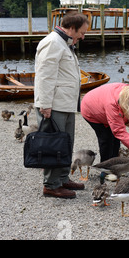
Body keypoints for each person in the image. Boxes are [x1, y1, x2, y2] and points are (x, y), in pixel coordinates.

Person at [34, 12, 89, 199]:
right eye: (81, 32)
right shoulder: (52, 43)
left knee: (65, 143)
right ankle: (51, 185)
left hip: (65, 103)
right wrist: (45, 104)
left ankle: (63, 178)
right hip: (54, 104)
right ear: (71, 28)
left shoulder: (65, 43)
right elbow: (45, 76)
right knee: (53, 145)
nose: (83, 36)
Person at [80, 82, 129, 162]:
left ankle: (114, 164)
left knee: (115, 140)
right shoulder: (112, 104)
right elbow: (119, 131)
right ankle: (105, 167)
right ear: (125, 103)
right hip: (90, 110)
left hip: (102, 102)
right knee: (106, 138)